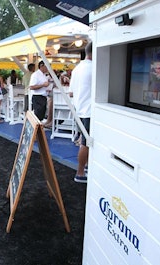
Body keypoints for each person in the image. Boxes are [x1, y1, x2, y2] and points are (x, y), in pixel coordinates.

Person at [70, 41, 92, 183]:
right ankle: (80, 172)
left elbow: (71, 93)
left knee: (86, 142)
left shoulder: (77, 69)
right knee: (86, 143)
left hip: (79, 110)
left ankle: (86, 168)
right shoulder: (94, 68)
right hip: (89, 111)